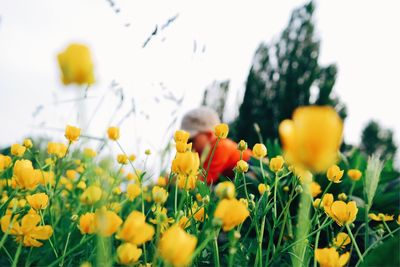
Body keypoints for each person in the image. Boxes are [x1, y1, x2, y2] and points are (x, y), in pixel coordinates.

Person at [181, 106, 252, 184]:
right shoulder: (203, 152)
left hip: (252, 166)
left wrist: (178, 181)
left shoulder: (221, 147)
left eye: (191, 140)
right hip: (234, 174)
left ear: (209, 135)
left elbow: (205, 179)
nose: (188, 145)